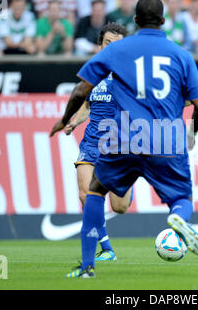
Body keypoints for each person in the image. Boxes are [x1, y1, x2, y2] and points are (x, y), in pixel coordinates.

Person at [50, 0, 198, 278]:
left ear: (134, 21)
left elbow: (79, 91)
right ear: (163, 21)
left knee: (95, 192)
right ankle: (177, 218)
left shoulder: (118, 51)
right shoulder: (181, 54)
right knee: (182, 198)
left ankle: (87, 267)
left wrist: (64, 120)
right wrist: (192, 134)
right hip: (165, 138)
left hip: (122, 137)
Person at [60, 22, 131, 262]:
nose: (111, 47)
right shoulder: (92, 71)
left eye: (117, 44)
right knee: (85, 194)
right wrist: (74, 121)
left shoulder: (131, 74)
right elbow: (88, 105)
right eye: (107, 42)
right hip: (91, 142)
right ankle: (107, 248)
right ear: (100, 45)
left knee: (120, 207)